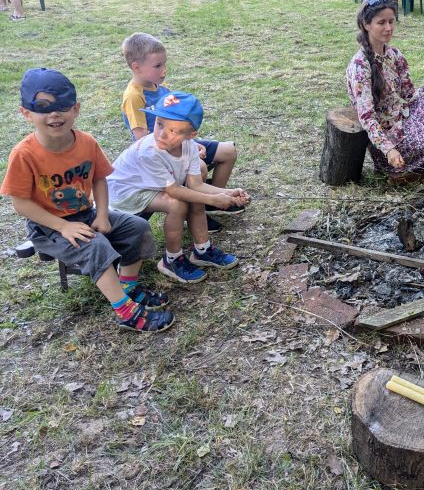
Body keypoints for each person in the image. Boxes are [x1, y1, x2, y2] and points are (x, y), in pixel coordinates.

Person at [0, 69, 175, 333]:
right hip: (49, 228)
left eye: (63, 106)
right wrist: (63, 227)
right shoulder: (24, 154)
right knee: (95, 246)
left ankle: (127, 287)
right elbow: (21, 203)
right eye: (44, 108)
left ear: (76, 109)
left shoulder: (86, 143)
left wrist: (102, 214)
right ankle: (125, 312)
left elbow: (99, 180)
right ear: (26, 113)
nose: (55, 114)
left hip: (86, 213)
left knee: (137, 228)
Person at [107, 91, 250, 284]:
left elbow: (195, 184)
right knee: (177, 204)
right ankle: (171, 260)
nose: (162, 134)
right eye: (159, 124)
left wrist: (228, 193)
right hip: (125, 194)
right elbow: (173, 191)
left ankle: (202, 250)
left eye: (173, 131)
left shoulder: (189, 146)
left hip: (148, 187)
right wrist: (213, 199)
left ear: (191, 134)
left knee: (194, 195)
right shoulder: (150, 152)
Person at [120, 32, 242, 232]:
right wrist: (190, 148)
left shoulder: (160, 87)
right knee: (200, 168)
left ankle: (211, 204)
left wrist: (192, 144)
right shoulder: (133, 96)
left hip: (181, 140)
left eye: (164, 64)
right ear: (136, 67)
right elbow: (141, 137)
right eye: (158, 66)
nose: (164, 70)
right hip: (163, 149)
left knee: (228, 151)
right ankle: (196, 210)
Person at [347, 0, 424, 173]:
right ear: (366, 24)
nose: (388, 28)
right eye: (381, 23)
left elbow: (409, 96)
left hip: (404, 118)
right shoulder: (360, 66)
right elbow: (367, 117)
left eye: (391, 21)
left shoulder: (395, 55)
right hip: (387, 136)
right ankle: (403, 163)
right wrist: (389, 149)